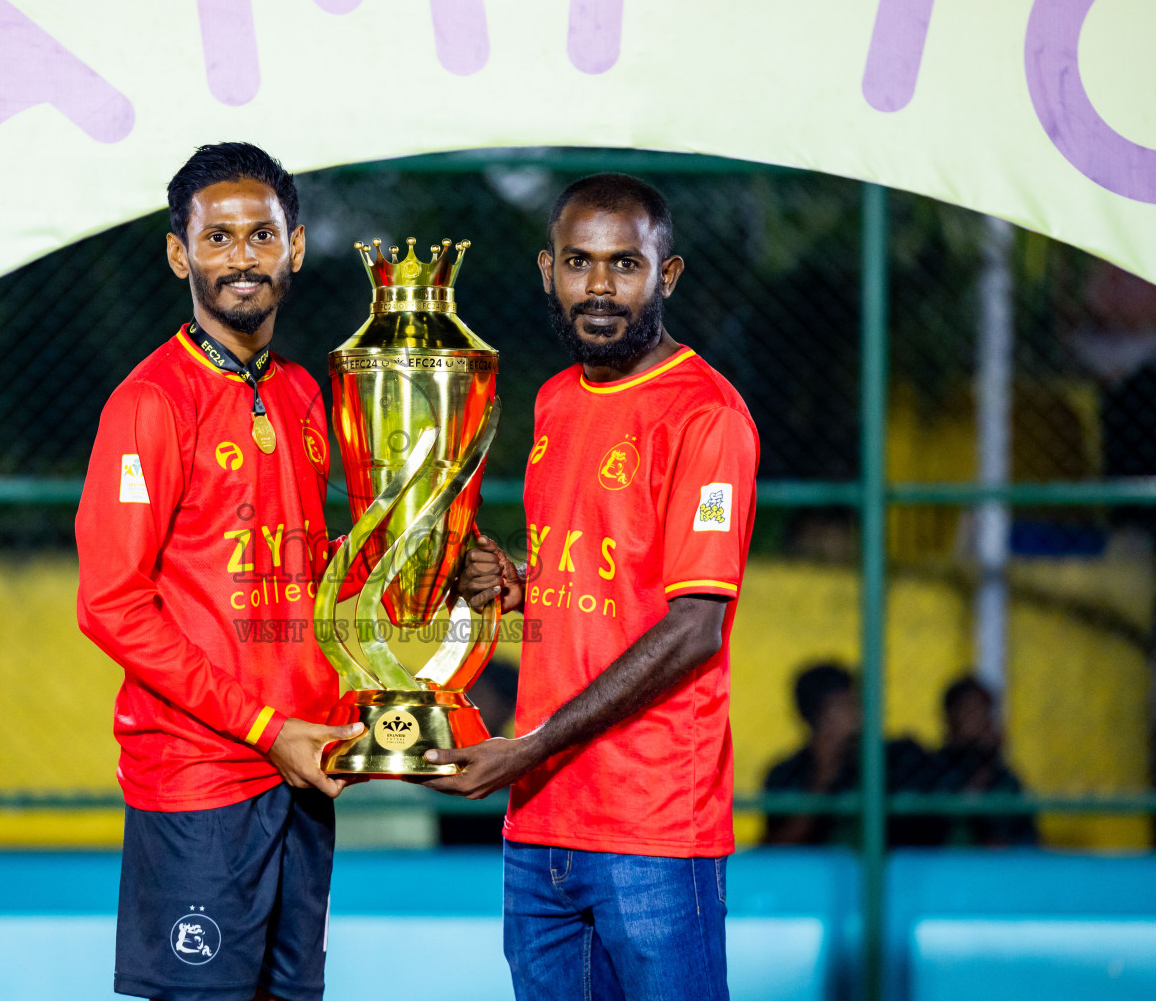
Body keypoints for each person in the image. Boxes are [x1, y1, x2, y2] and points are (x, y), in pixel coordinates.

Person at [428, 173, 759, 1000]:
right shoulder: (554, 402)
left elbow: (693, 628)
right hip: (540, 824)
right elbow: (593, 578)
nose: (600, 287)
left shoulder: (705, 416)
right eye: (580, 263)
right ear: (549, 269)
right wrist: (517, 586)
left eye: (625, 264)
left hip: (650, 829)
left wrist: (530, 744)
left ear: (666, 276)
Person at [76, 142, 362, 1001]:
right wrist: (264, 724)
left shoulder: (310, 396)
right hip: (201, 780)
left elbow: (324, 578)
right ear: (180, 254)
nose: (243, 258)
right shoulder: (151, 403)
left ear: (296, 247)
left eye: (262, 236)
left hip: (306, 771)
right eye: (220, 238)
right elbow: (111, 605)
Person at [761, 661, 939, 847]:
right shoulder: (786, 773)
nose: (858, 713)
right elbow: (776, 848)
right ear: (816, 717)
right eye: (844, 705)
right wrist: (823, 776)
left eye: (858, 702)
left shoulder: (900, 756)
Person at [930, 676, 1037, 846]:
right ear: (951, 717)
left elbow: (1026, 835)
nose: (977, 718)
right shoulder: (933, 770)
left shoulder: (1004, 778)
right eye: (968, 710)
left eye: (982, 710)